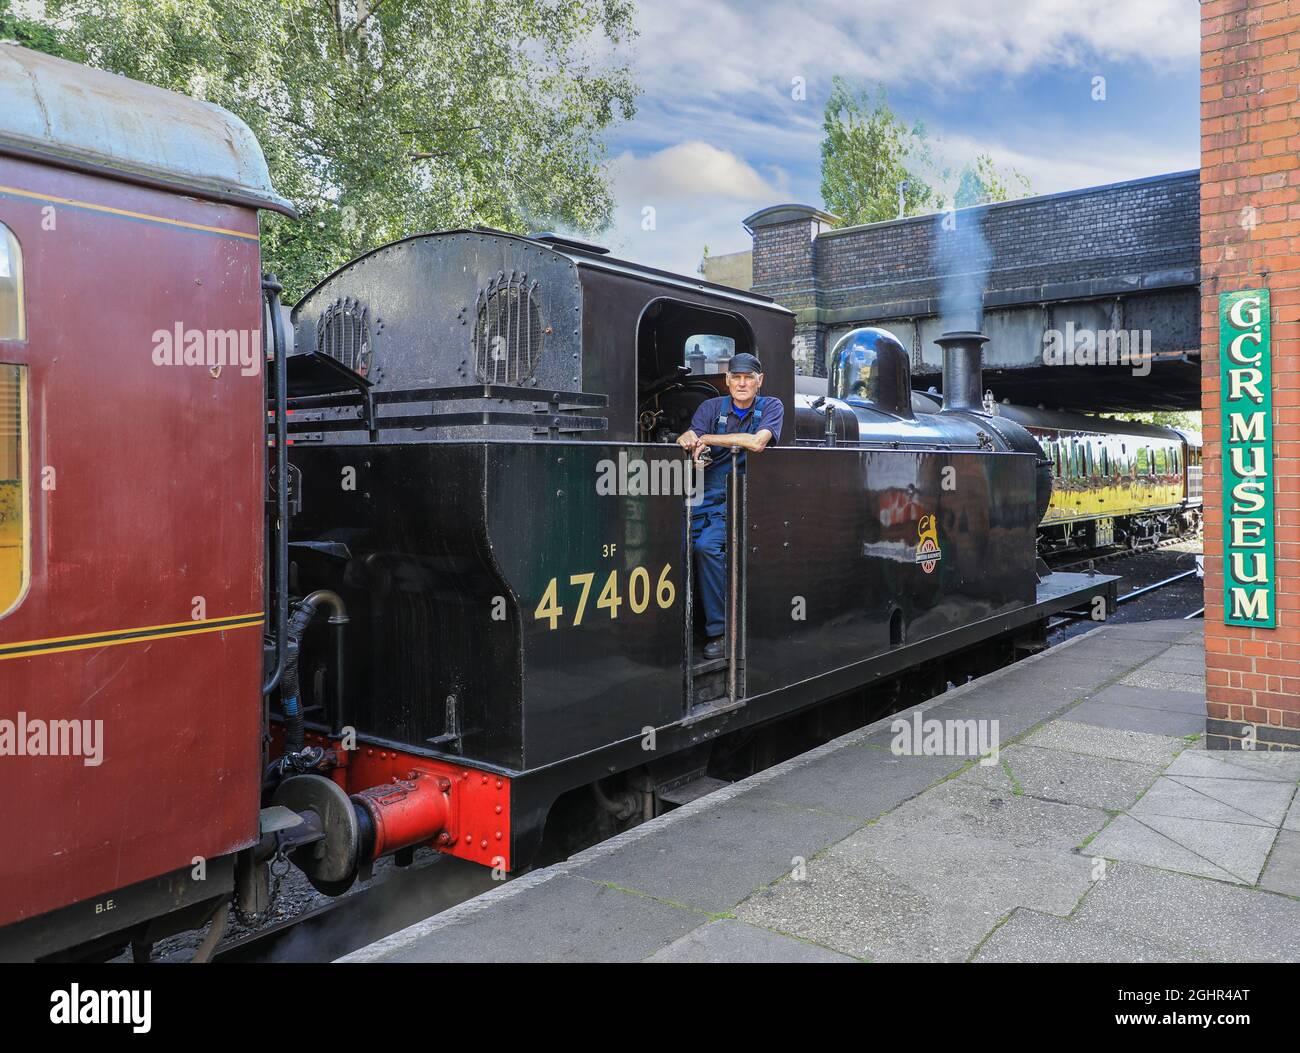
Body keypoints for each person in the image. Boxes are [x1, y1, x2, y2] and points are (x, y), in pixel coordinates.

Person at [675, 352, 783, 660]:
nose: (742, 383)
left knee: (707, 548)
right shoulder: (710, 408)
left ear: (759, 381)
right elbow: (692, 436)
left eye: (749, 377)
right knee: (675, 545)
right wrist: (688, 441)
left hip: (741, 500)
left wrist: (708, 437)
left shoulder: (772, 407)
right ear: (727, 380)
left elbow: (756, 443)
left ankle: (720, 632)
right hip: (701, 498)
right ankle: (679, 629)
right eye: (736, 377)